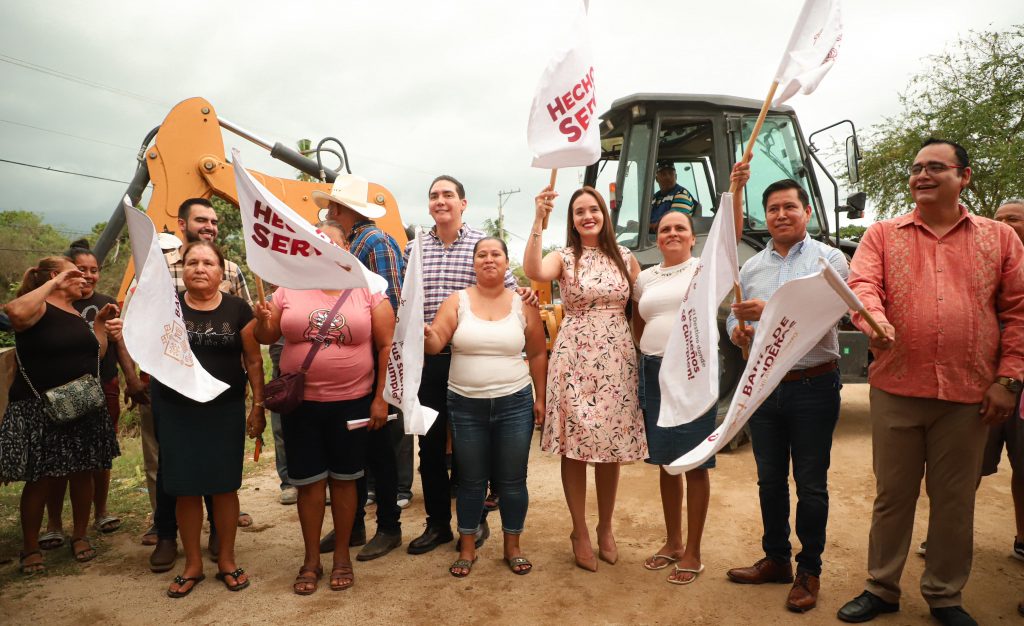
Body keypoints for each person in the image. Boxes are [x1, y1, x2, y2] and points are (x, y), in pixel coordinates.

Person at [840, 139, 1024, 626]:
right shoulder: (882, 235)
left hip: (968, 396)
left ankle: (944, 595)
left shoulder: (1000, 239)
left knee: (955, 502)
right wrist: (874, 320)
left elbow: (1018, 311)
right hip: (897, 388)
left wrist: (1008, 380)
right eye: (916, 168)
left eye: (936, 167)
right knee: (892, 496)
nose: (922, 175)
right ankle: (881, 587)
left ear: (964, 176)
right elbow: (863, 286)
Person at [725, 179, 849, 613]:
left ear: (807, 212)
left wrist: (771, 312)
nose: (781, 214)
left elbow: (831, 314)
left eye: (789, 206)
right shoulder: (751, 268)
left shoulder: (829, 261)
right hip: (765, 387)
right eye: (773, 208)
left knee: (811, 484)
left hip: (813, 384)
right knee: (770, 480)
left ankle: (808, 570)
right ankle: (776, 559)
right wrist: (737, 331)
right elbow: (735, 317)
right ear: (765, 216)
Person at [253, 221, 395, 595]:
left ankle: (342, 556)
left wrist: (380, 397)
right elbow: (267, 336)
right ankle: (311, 559)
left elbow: (386, 345)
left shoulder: (368, 288)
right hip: (301, 406)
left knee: (346, 481)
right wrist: (263, 321)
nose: (324, 246)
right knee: (309, 483)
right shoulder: (290, 286)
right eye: (317, 241)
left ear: (345, 246)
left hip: (352, 402)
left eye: (332, 241)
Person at [633, 162, 750, 585]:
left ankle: (694, 551)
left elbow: (731, 239)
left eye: (680, 228)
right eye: (665, 229)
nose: (672, 234)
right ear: (657, 237)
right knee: (666, 463)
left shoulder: (705, 270)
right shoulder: (645, 278)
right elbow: (638, 323)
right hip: (653, 374)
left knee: (695, 463)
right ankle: (672, 541)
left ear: (691, 236)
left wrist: (736, 190)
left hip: (693, 376)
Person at [126, 197, 254, 571]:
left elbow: (246, 330)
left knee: (219, 474)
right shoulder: (154, 268)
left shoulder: (231, 270)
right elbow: (138, 323)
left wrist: (250, 388)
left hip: (221, 397)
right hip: (173, 395)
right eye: (201, 220)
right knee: (172, 469)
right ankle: (167, 535)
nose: (209, 226)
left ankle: (218, 537)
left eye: (213, 221)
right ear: (182, 224)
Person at [405, 175, 529, 556]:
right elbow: (404, 298)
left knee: (469, 452)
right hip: (429, 359)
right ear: (429, 205)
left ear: (463, 203)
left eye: (448, 195)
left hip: (469, 359)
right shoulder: (414, 249)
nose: (440, 201)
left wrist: (525, 293)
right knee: (429, 447)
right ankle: (438, 524)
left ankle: (475, 524)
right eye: (434, 196)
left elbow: (509, 291)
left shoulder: (481, 245)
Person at [525, 184, 644, 572]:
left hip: (617, 359)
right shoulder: (563, 257)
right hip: (575, 357)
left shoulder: (626, 257)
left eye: (593, 209)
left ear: (604, 214)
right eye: (579, 212)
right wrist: (538, 220)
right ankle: (579, 530)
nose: (587, 216)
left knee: (611, 445)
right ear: (572, 220)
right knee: (574, 446)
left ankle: (605, 527)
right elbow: (534, 271)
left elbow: (643, 305)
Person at [141, 241, 265, 597]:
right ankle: (192, 564)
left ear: (221, 271)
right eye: (192, 262)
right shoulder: (168, 307)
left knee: (224, 486)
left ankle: (226, 559)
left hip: (223, 410)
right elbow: (148, 348)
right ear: (183, 269)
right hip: (176, 410)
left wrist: (258, 405)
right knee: (186, 488)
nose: (199, 268)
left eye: (208, 263)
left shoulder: (238, 309)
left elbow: (253, 360)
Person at [424, 237, 548, 577]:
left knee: (512, 481)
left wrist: (541, 397)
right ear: (474, 263)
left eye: (496, 254)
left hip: (515, 403)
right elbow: (436, 342)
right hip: (465, 405)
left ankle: (513, 547)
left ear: (506, 262)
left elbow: (538, 352)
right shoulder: (457, 301)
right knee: (470, 481)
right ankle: (467, 548)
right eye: (482, 255)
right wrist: (426, 334)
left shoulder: (524, 303)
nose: (489, 259)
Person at [0, 256, 121, 574]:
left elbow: (95, 354)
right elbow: (14, 313)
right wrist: (54, 283)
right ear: (57, 276)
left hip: (80, 405)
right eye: (76, 273)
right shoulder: (38, 306)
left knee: (82, 472)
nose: (85, 278)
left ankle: (79, 535)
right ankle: (30, 547)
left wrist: (99, 324)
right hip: (42, 407)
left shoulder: (74, 311)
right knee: (40, 479)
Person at [314, 178, 406, 560]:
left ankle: (388, 527)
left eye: (332, 207)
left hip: (373, 364)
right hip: (355, 368)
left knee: (378, 449)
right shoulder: (356, 243)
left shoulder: (375, 242)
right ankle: (353, 526)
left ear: (341, 210)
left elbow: (392, 306)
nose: (329, 212)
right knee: (351, 452)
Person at [36, 241, 148, 552]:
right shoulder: (49, 304)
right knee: (57, 459)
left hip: (102, 385)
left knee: (98, 455)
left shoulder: (106, 303)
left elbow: (118, 343)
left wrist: (131, 379)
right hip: (57, 391)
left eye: (94, 270)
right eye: (81, 269)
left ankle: (100, 512)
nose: (88, 276)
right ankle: (54, 523)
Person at [650, 160, 696, 232]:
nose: (668, 177)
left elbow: (671, 224)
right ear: (656, 179)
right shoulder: (654, 198)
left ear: (676, 177)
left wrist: (642, 227)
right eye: (663, 174)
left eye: (670, 173)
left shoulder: (681, 195)